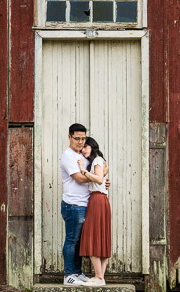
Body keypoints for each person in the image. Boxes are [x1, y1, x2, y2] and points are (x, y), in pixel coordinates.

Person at [60, 123, 109, 286]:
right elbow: (80, 178)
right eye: (77, 138)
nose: (80, 142)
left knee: (80, 241)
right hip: (73, 204)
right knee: (72, 239)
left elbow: (96, 178)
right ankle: (69, 275)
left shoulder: (84, 156)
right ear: (69, 137)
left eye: (83, 139)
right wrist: (97, 177)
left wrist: (101, 179)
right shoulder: (68, 156)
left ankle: (77, 272)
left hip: (86, 204)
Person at [77, 137, 111, 287]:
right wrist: (103, 176)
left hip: (97, 201)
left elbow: (97, 179)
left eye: (86, 147)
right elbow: (101, 179)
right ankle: (101, 277)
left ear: (92, 146)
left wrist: (83, 171)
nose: (83, 149)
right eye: (82, 147)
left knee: (92, 236)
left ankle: (98, 277)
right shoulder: (99, 161)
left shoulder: (97, 161)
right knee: (101, 237)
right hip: (101, 201)